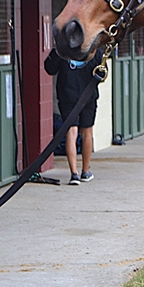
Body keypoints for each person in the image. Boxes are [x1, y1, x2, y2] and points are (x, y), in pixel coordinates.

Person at [44, 48, 101, 186]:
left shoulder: (63, 47)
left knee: (71, 132)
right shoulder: (93, 47)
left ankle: (74, 174)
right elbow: (101, 73)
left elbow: (49, 68)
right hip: (88, 95)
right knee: (87, 133)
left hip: (67, 95)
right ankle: (85, 171)